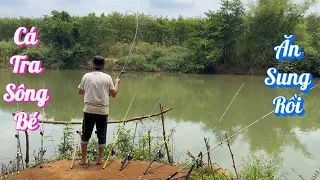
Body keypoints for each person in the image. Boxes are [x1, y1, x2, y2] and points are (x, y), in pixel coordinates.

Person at [78, 55, 120, 165]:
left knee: (85, 134)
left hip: (89, 110)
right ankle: (99, 160)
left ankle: (83, 160)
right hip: (103, 111)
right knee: (102, 135)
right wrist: (117, 83)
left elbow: (80, 92)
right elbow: (114, 94)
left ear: (93, 66)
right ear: (103, 67)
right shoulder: (108, 78)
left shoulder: (86, 76)